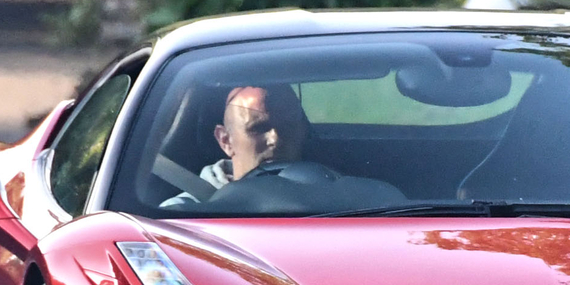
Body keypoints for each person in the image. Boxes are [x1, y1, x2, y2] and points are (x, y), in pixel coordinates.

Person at [162, 82, 405, 213]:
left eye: (288, 126)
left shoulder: (354, 201)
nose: (275, 139)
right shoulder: (186, 213)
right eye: (258, 129)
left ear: (303, 132)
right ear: (225, 140)